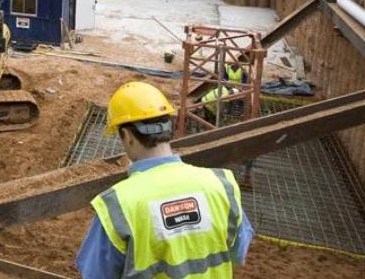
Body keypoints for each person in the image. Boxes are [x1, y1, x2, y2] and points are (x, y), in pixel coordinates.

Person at [76, 82, 254, 279]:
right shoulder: (222, 185)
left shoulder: (117, 206)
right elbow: (238, 254)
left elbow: (95, 274)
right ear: (168, 126)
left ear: (127, 135)